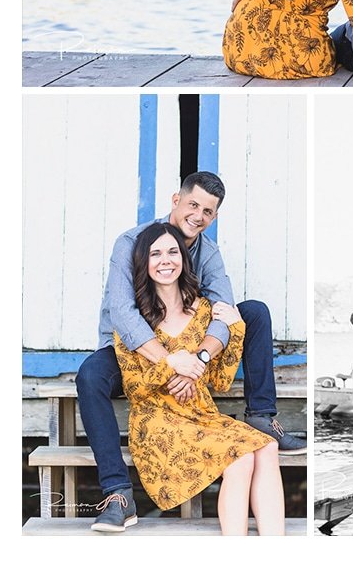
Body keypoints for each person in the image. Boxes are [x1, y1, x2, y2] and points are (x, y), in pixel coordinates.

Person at [77, 170, 305, 532]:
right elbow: (123, 313)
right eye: (193, 204)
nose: (198, 215)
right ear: (176, 201)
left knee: (254, 312)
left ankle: (261, 415)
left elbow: (223, 307)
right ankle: (118, 493)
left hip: (190, 348)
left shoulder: (208, 252)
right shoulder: (132, 242)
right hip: (133, 349)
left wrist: (198, 360)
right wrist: (171, 361)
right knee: (89, 375)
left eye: (208, 211)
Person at [114, 222, 285, 535]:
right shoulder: (133, 321)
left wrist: (236, 329)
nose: (165, 260)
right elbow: (134, 388)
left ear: (184, 258)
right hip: (159, 422)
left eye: (172, 251)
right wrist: (173, 363)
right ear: (144, 263)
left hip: (202, 415)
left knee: (268, 447)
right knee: (241, 459)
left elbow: (219, 381)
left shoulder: (204, 311)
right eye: (155, 254)